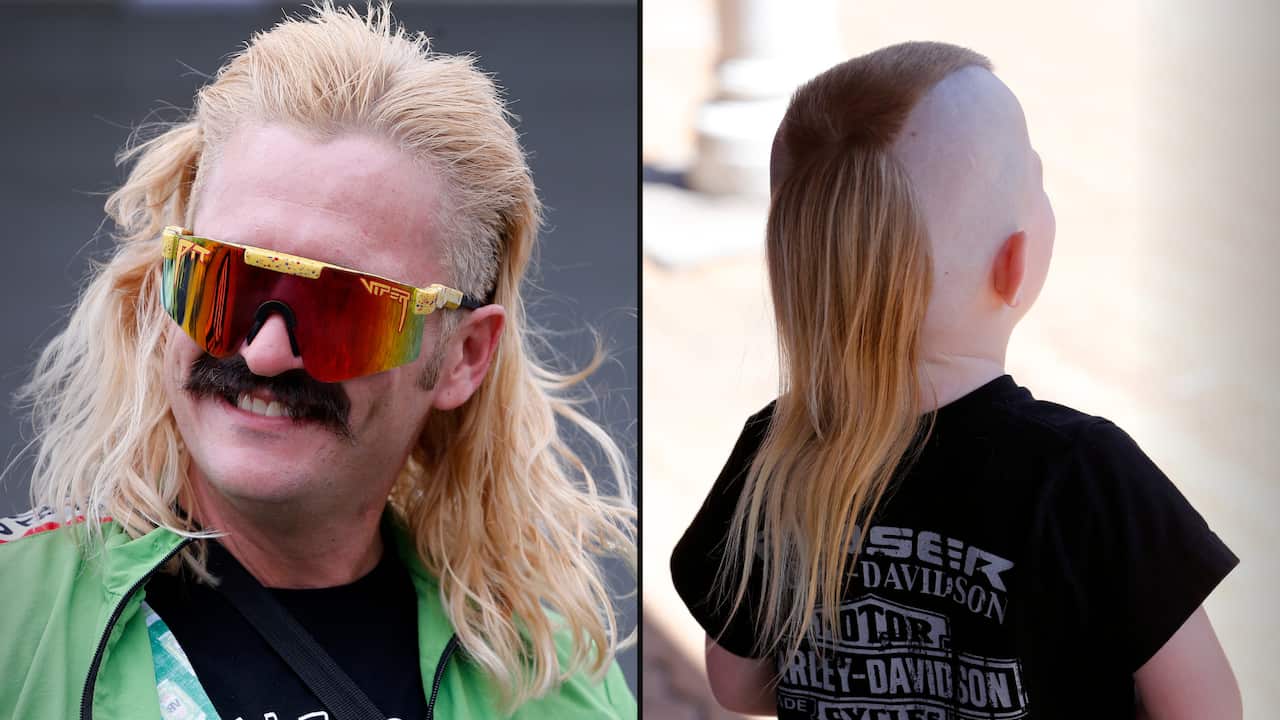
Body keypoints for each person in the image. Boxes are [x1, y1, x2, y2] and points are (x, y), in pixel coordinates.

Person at [0, 4, 635, 719]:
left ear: (462, 356)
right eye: (225, 282)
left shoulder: (552, 682)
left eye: (344, 310)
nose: (266, 353)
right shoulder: (14, 620)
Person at [670, 41, 1240, 719]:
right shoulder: (1085, 476)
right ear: (1015, 263)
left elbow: (737, 686)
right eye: (1037, 179)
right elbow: (1206, 708)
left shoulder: (777, 450)